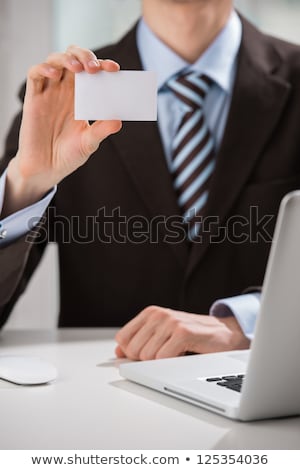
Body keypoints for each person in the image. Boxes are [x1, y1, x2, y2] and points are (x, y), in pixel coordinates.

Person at [1, 0, 300, 361]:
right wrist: (24, 186)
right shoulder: (70, 96)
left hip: (261, 382)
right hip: (103, 389)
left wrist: (246, 322)